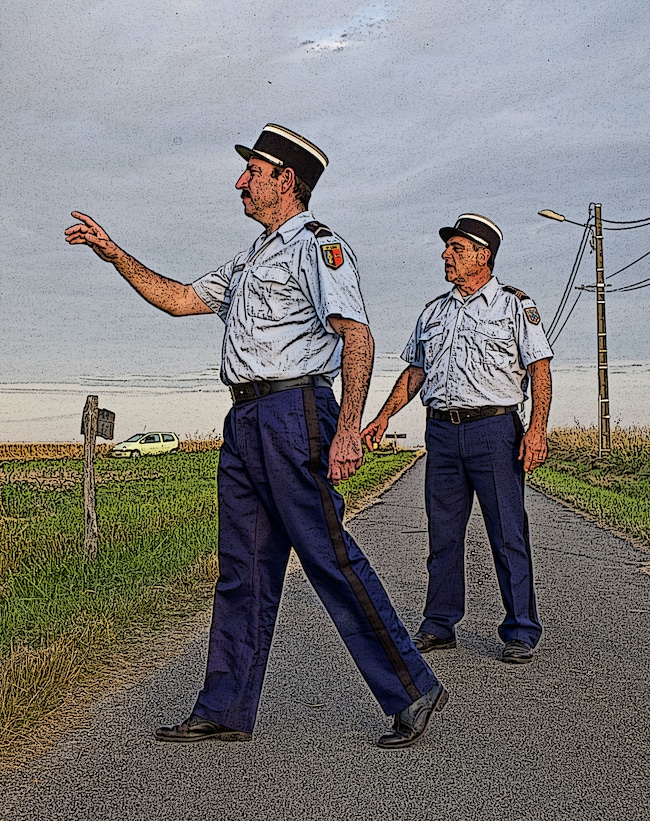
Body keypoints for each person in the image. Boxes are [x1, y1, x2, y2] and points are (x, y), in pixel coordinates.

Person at [65, 123, 447, 749]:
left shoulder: (318, 248)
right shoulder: (249, 259)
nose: (241, 181)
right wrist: (114, 253)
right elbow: (180, 299)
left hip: (295, 412)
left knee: (325, 553)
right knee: (241, 567)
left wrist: (348, 426)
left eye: (254, 172)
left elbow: (358, 336)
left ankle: (411, 686)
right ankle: (226, 707)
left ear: (285, 182)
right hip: (244, 420)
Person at [362, 214, 553, 664]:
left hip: (494, 431)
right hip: (442, 433)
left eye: (457, 249)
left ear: (483, 256)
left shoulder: (514, 306)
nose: (446, 255)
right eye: (449, 248)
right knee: (443, 532)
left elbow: (539, 370)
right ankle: (439, 623)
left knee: (507, 532)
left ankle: (521, 629)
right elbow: (415, 372)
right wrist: (382, 417)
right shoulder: (433, 310)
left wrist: (537, 429)